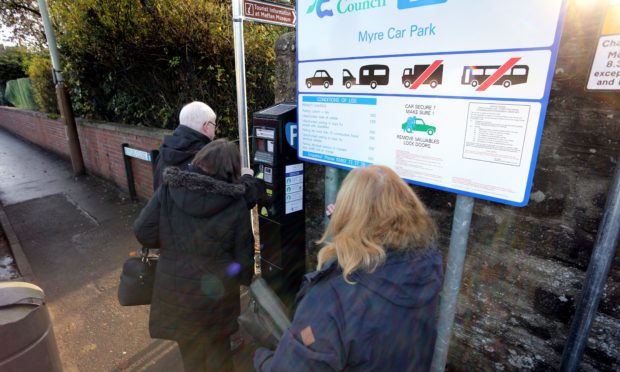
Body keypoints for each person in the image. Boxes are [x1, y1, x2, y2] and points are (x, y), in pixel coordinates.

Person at [254, 165, 444, 371]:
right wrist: (349, 230)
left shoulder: (331, 298)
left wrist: (263, 359)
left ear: (349, 216)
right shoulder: (426, 267)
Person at [134, 139, 255, 372]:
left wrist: (172, 244)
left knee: (191, 358)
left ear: (200, 159)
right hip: (217, 295)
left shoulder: (170, 188)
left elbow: (143, 231)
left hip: (176, 290)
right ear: (232, 169)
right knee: (221, 355)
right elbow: (243, 259)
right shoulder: (236, 203)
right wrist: (239, 278)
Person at [153, 101, 216, 191]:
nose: (215, 131)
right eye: (214, 125)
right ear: (206, 126)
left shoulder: (163, 152)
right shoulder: (206, 159)